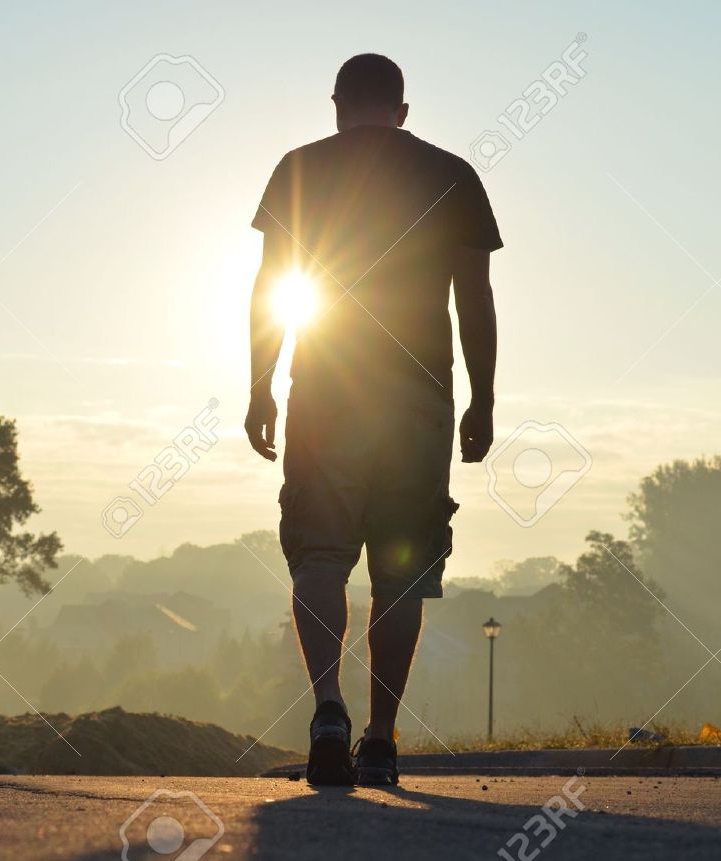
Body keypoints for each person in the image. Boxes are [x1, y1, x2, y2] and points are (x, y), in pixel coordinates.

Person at [246, 53, 502, 786]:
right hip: (419, 398)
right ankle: (383, 737)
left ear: (336, 105)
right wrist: (482, 400)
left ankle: (329, 709)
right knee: (401, 569)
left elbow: (272, 289)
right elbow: (474, 302)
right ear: (402, 111)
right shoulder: (452, 174)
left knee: (320, 554)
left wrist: (260, 385)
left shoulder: (299, 168)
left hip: (327, 386)